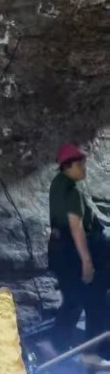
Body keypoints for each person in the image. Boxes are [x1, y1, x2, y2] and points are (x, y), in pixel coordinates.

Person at [48, 142, 110, 353]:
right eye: (80, 163)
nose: (84, 167)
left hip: (61, 252)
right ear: (69, 165)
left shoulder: (57, 184)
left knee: (74, 299)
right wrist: (87, 261)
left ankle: (59, 344)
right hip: (77, 252)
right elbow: (77, 227)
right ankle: (96, 351)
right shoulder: (72, 191)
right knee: (96, 300)